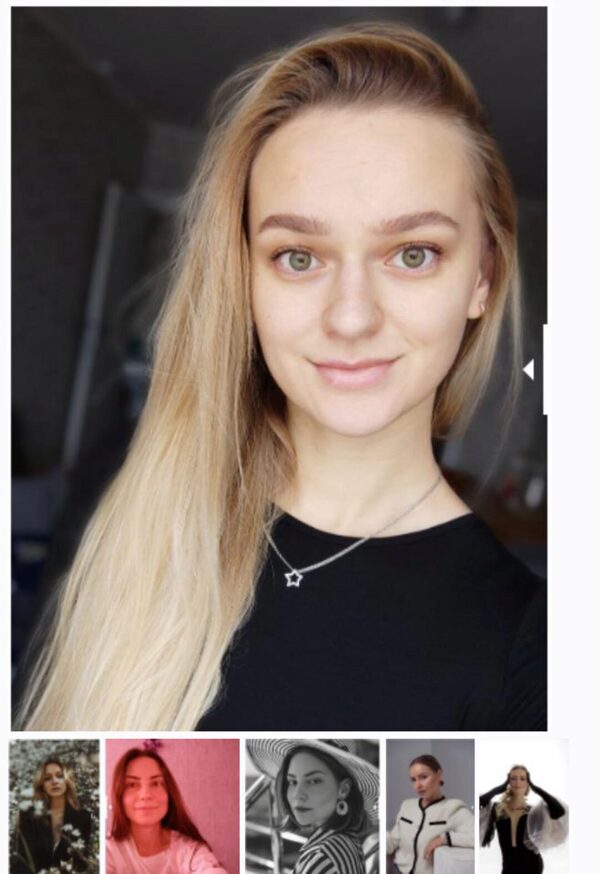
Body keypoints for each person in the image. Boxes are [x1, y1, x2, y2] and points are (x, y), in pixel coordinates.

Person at [18, 21, 545, 731]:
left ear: (481, 278)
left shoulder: (531, 652)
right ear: (244, 278)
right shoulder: (128, 491)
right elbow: (44, 802)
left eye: (413, 253)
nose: (351, 317)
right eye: (299, 257)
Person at [248, 739, 379, 874]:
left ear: (343, 789)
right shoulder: (347, 841)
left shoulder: (321, 858)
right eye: (292, 781)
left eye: (314, 781)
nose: (297, 795)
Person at [106, 748, 228, 874]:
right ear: (119, 796)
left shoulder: (191, 851)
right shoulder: (108, 852)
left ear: (169, 794)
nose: (146, 795)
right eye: (132, 785)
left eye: (155, 783)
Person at [387, 754, 473, 874]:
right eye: (413, 780)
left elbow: (476, 836)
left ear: (439, 775)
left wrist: (443, 839)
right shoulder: (406, 805)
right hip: (397, 871)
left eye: (423, 777)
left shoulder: (454, 808)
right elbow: (392, 842)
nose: (418, 785)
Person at [479, 765, 568, 873]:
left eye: (522, 779)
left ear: (528, 783)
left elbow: (559, 811)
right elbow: (479, 803)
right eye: (513, 778)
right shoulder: (497, 809)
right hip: (508, 867)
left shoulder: (534, 812)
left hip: (532, 867)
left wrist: (536, 789)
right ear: (508, 782)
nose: (518, 782)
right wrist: (498, 789)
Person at [13, 757, 92, 873]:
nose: (54, 781)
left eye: (59, 776)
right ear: (42, 785)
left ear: (67, 780)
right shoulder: (29, 815)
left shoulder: (83, 817)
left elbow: (82, 864)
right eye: (47, 778)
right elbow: (22, 859)